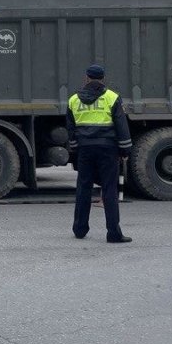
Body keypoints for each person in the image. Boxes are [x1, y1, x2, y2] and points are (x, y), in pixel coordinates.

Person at [67, 63, 133, 243]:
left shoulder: (74, 100)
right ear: (103, 79)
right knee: (109, 190)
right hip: (107, 150)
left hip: (85, 150)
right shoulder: (112, 98)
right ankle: (113, 233)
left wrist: (75, 149)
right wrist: (125, 150)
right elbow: (122, 126)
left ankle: (80, 229)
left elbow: (71, 130)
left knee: (83, 188)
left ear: (86, 78)